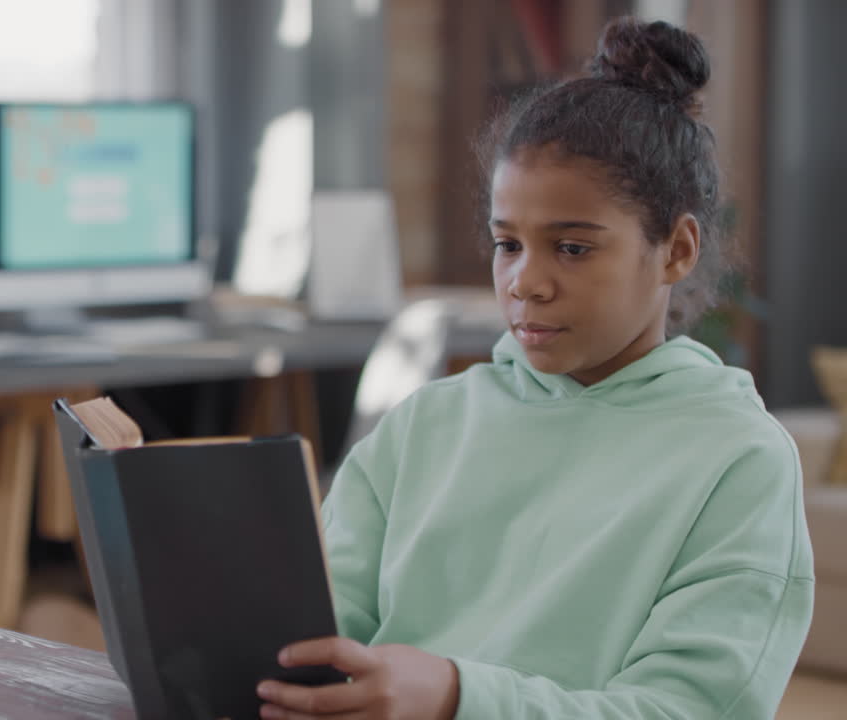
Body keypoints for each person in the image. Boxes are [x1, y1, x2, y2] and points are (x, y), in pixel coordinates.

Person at [256, 16, 813, 720]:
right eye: (507, 243)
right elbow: (315, 632)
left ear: (676, 250)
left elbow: (687, 710)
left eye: (573, 248)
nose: (524, 281)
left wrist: (458, 697)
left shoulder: (739, 460)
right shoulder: (427, 423)